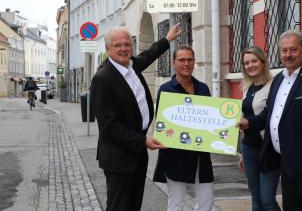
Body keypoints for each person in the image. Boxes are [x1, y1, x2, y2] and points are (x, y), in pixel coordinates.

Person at [238, 30, 302, 211]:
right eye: (284, 51)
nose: (288, 55)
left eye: (293, 50)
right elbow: (270, 115)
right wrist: (249, 124)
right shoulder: (278, 80)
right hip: (287, 163)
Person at [91, 24, 182, 211]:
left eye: (127, 44)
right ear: (108, 49)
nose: (123, 49)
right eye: (117, 45)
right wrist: (143, 141)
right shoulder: (103, 78)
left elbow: (148, 55)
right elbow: (109, 126)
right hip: (119, 156)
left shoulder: (132, 65)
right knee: (119, 206)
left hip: (138, 154)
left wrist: (167, 39)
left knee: (134, 205)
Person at [153, 45, 214, 211]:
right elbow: (163, 124)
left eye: (190, 59)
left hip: (201, 154)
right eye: (182, 60)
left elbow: (211, 119)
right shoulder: (166, 89)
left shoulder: (203, 88)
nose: (186, 63)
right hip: (175, 155)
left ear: (194, 62)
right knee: (176, 202)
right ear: (174, 63)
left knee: (207, 200)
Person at [238, 46, 281, 211]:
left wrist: (248, 123)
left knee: (268, 200)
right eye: (246, 63)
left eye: (254, 61)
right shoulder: (246, 87)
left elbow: (268, 116)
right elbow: (242, 117)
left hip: (267, 149)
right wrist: (242, 153)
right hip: (249, 148)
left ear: (263, 63)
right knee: (256, 200)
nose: (250, 65)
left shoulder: (274, 86)